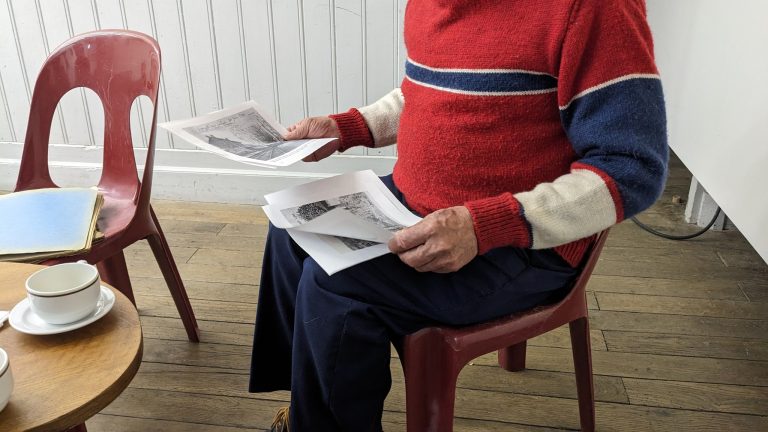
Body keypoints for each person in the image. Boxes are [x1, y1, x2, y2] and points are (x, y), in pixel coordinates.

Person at [251, 0, 668, 430]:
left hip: (523, 241)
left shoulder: (593, 9)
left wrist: (488, 224)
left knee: (337, 286)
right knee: (289, 228)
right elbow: (424, 93)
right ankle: (307, 408)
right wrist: (348, 128)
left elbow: (633, 168)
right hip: (414, 204)